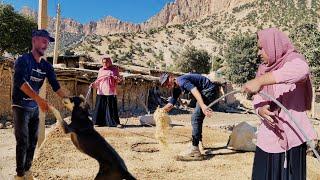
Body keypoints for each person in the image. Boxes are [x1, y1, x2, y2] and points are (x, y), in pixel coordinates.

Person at [242, 28, 317, 180]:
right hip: (267, 139)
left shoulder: (294, 60)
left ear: (273, 45)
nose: (258, 53)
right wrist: (260, 110)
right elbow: (257, 98)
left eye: (261, 48)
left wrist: (261, 81)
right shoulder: (263, 69)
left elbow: (302, 71)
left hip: (293, 138)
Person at [12, 29, 68, 180]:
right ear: (34, 40)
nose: (46, 45)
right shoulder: (23, 60)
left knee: (33, 141)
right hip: (20, 107)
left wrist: (68, 101)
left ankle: (27, 171)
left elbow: (56, 86)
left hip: (34, 108)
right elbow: (20, 82)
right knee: (22, 141)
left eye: (47, 43)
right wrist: (39, 99)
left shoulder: (46, 66)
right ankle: (19, 175)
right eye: (43, 41)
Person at [160, 72, 218, 159]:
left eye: (167, 82)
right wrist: (160, 111)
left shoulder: (181, 81)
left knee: (195, 118)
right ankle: (198, 143)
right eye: (165, 85)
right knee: (198, 118)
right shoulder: (176, 88)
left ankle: (195, 149)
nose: (167, 85)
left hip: (208, 90)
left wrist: (202, 106)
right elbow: (171, 103)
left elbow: (194, 90)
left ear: (171, 77)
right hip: (204, 91)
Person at [92, 56, 122, 128]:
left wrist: (117, 78)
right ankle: (98, 122)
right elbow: (98, 80)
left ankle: (114, 123)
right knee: (100, 107)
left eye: (106, 62)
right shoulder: (101, 70)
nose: (105, 63)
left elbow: (119, 80)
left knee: (111, 107)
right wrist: (94, 84)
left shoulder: (114, 69)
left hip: (110, 91)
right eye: (103, 62)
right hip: (101, 90)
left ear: (109, 62)